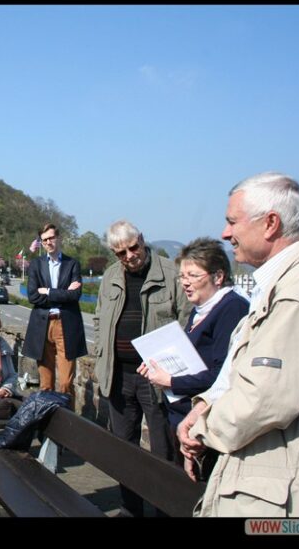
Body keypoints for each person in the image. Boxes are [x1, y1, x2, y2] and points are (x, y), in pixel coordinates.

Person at [177, 172, 299, 517]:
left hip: (276, 498)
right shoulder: (283, 283)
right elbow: (244, 371)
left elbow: (268, 396)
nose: (225, 233)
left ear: (270, 224)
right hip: (264, 483)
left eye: (232, 221)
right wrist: (204, 405)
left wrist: (204, 430)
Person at [93, 220, 192, 517]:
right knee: (125, 450)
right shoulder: (111, 275)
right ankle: (130, 509)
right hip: (119, 376)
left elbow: (188, 321)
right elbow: (99, 318)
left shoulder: (171, 274)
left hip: (157, 378)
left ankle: (164, 510)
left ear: (143, 240)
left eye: (133, 248)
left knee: (163, 451)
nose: (129, 256)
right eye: (120, 253)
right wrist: (100, 354)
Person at [137, 238, 249, 431]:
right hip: (184, 413)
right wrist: (156, 363)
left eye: (193, 275)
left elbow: (222, 374)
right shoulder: (200, 308)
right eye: (182, 276)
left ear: (218, 276)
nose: (185, 283)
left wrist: (171, 381)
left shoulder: (232, 308)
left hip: (206, 420)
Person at [23, 223, 87, 410]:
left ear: (58, 238)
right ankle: (47, 427)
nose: (48, 242)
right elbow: (33, 296)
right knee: (46, 384)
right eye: (44, 240)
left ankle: (67, 428)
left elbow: (75, 295)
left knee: (66, 383)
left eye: (51, 238)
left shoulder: (72, 264)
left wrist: (49, 291)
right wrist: (62, 294)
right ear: (41, 243)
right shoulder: (36, 265)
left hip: (65, 325)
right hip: (42, 326)